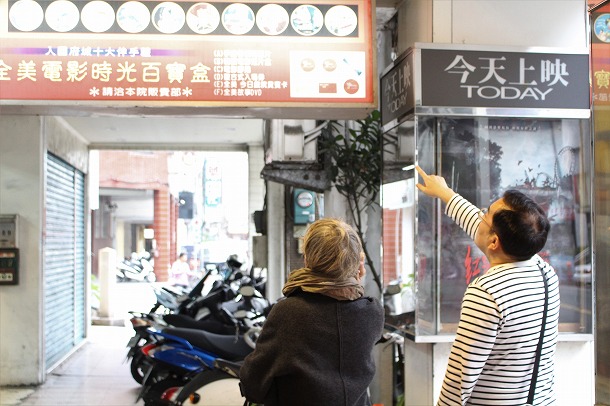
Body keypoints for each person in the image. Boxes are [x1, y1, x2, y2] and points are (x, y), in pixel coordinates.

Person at [415, 165, 559, 405]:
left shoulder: (487, 292)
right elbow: (482, 228)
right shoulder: (544, 273)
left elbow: (461, 375)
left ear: (494, 241)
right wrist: (446, 193)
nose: (480, 215)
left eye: (486, 213)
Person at [239, 218, 384, 406]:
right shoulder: (372, 312)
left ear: (308, 259)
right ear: (357, 263)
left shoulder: (289, 312)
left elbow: (253, 382)